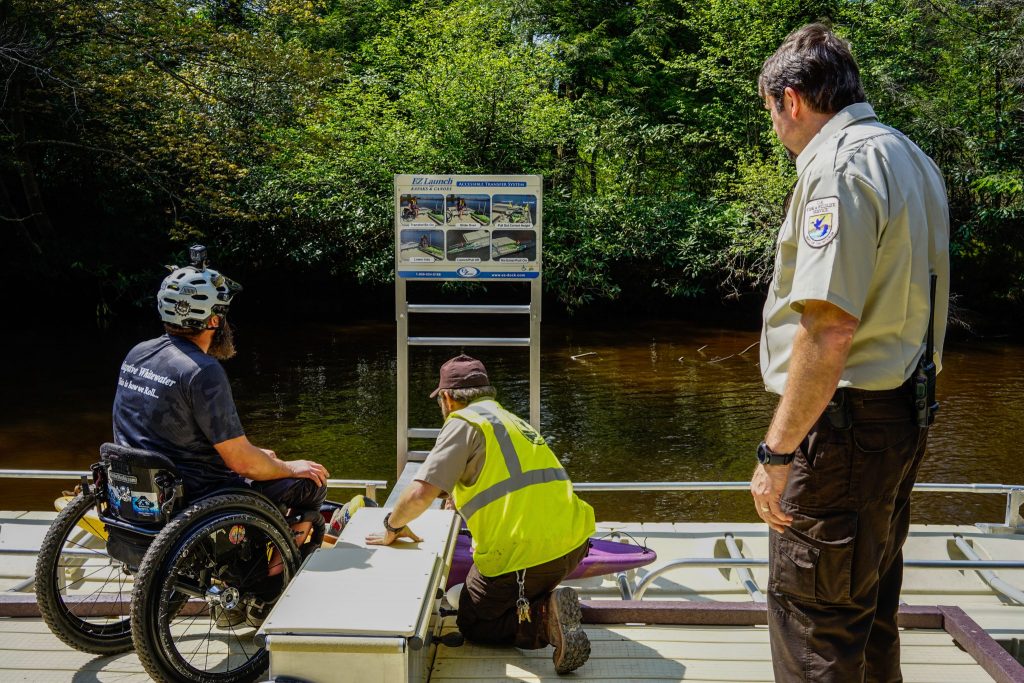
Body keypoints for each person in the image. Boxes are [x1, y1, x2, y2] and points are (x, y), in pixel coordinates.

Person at [749, 24, 949, 682]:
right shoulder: (912, 158)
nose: (776, 131)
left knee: (814, 622)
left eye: (771, 113)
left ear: (793, 100)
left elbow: (830, 328)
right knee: (868, 613)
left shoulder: (838, 168)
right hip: (901, 420)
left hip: (841, 435)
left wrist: (776, 453)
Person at [366, 354, 595, 675]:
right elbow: (500, 478)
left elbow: (420, 494)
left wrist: (392, 525)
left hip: (526, 556)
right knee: (505, 589)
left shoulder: (462, 423)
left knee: (473, 619)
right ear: (487, 392)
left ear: (446, 398)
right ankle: (542, 598)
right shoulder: (512, 421)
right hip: (575, 545)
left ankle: (545, 619)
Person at [112, 246, 330, 582]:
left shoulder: (139, 353)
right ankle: (268, 582)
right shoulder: (202, 370)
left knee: (264, 461)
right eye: (223, 315)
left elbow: (180, 435)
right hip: (197, 496)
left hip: (143, 489)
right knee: (309, 483)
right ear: (214, 320)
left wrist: (260, 456)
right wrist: (287, 466)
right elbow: (241, 463)